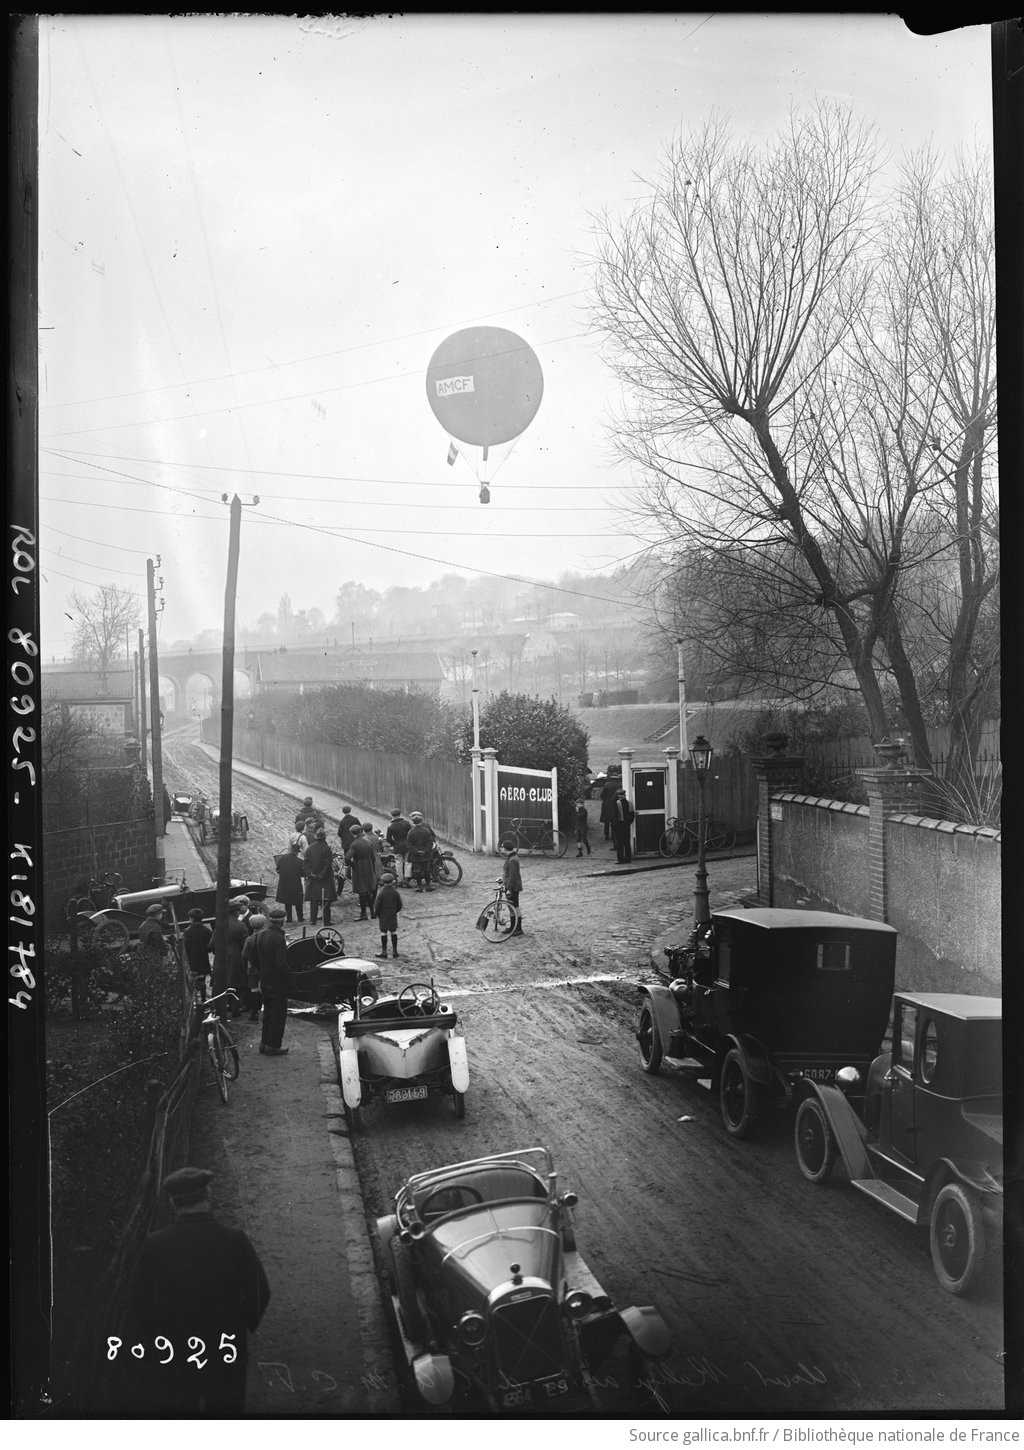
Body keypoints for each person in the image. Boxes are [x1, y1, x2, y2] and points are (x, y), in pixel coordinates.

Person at [127, 1166, 270, 1415]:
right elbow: (260, 1290)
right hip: (226, 1345)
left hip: (175, 1348)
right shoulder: (233, 1240)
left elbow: (138, 1300)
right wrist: (242, 1324)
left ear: (174, 1202)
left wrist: (160, 1332)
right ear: (207, 1196)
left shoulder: (155, 1244)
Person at [255, 905, 292, 1055]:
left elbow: (255, 957)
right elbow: (281, 964)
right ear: (281, 921)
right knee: (278, 1015)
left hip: (265, 979)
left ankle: (264, 1043)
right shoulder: (278, 938)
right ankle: (273, 1045)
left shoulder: (261, 935)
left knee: (268, 1014)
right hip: (277, 983)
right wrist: (290, 981)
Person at [304, 827, 338, 927]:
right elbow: (328, 864)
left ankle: (313, 920)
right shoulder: (326, 848)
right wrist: (321, 875)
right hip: (325, 878)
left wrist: (311, 874)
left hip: (313, 878)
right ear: (324, 837)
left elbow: (306, 863)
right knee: (326, 900)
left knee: (314, 900)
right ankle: (326, 920)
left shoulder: (310, 848)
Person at [345, 824, 380, 920]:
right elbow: (373, 857)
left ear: (352, 834)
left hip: (359, 867)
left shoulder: (354, 844)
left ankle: (363, 914)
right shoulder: (368, 842)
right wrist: (371, 866)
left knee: (362, 891)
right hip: (368, 866)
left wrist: (353, 865)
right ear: (361, 832)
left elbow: (347, 858)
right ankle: (373, 913)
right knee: (368, 890)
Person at [182, 906, 213, 999]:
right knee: (202, 981)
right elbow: (209, 948)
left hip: (192, 960)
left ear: (191, 919)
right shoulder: (207, 931)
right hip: (203, 959)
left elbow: (185, 948)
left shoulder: (187, 932)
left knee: (192, 981)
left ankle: (194, 1000)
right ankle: (203, 999)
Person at [241, 912, 267, 1022]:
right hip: (265, 968)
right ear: (263, 924)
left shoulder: (249, 939)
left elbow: (244, 954)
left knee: (254, 989)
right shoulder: (267, 937)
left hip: (252, 968)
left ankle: (254, 1012)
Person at [373, 871, 403, 959]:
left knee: (383, 932)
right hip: (392, 914)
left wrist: (377, 913)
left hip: (383, 915)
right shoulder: (395, 892)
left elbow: (377, 905)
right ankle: (395, 951)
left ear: (383, 882)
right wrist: (395, 911)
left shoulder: (381, 893)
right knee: (393, 931)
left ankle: (384, 951)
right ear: (392, 881)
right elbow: (399, 905)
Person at [274, 840, 305, 923]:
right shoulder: (299, 861)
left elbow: (278, 870)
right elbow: (303, 874)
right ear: (297, 852)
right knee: (298, 902)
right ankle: (300, 918)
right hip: (295, 885)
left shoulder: (282, 858)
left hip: (284, 884)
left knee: (287, 903)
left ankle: (289, 919)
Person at [406, 812, 436, 893]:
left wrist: (416, 851)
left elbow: (409, 845)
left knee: (417, 871)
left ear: (413, 822)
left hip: (415, 855)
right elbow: (430, 842)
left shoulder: (410, 832)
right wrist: (425, 851)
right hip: (425, 854)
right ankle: (428, 886)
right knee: (427, 870)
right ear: (421, 821)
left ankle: (419, 886)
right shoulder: (426, 831)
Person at [502, 845, 524, 936]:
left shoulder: (513, 860)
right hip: (509, 886)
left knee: (515, 907)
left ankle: (518, 929)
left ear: (505, 849)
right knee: (511, 907)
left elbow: (513, 876)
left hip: (513, 887)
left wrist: (509, 889)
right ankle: (512, 927)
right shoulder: (512, 858)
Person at [385, 808, 412, 883]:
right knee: (408, 861)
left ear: (392, 816)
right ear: (400, 814)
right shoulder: (406, 823)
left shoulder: (390, 826)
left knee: (398, 863)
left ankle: (399, 879)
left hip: (397, 845)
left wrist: (394, 843)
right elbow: (411, 834)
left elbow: (388, 839)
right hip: (407, 845)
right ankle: (407, 877)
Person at [612, 788, 635, 864]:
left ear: (618, 796)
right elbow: (632, 815)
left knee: (620, 843)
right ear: (624, 795)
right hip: (627, 824)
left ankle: (621, 859)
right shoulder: (630, 803)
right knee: (627, 842)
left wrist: (614, 826)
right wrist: (628, 822)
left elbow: (615, 816)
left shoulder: (617, 803)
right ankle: (628, 858)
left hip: (619, 825)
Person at [599, 773, 620, 842]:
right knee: (614, 820)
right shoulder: (619, 786)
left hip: (606, 804)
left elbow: (602, 795)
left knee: (606, 820)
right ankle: (614, 836)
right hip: (615, 804)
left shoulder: (606, 785)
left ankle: (606, 835)